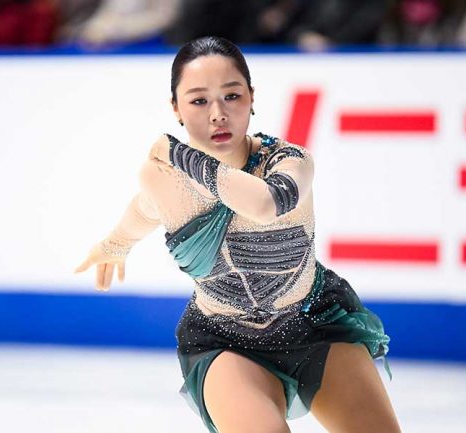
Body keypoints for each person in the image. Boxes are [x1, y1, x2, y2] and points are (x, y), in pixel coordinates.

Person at [74, 35, 401, 433]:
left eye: (231, 96)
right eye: (199, 101)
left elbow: (265, 204)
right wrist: (115, 244)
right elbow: (145, 209)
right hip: (225, 343)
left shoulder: (289, 161)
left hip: (315, 324)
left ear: (251, 97)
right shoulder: (163, 180)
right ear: (175, 108)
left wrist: (179, 153)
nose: (218, 114)